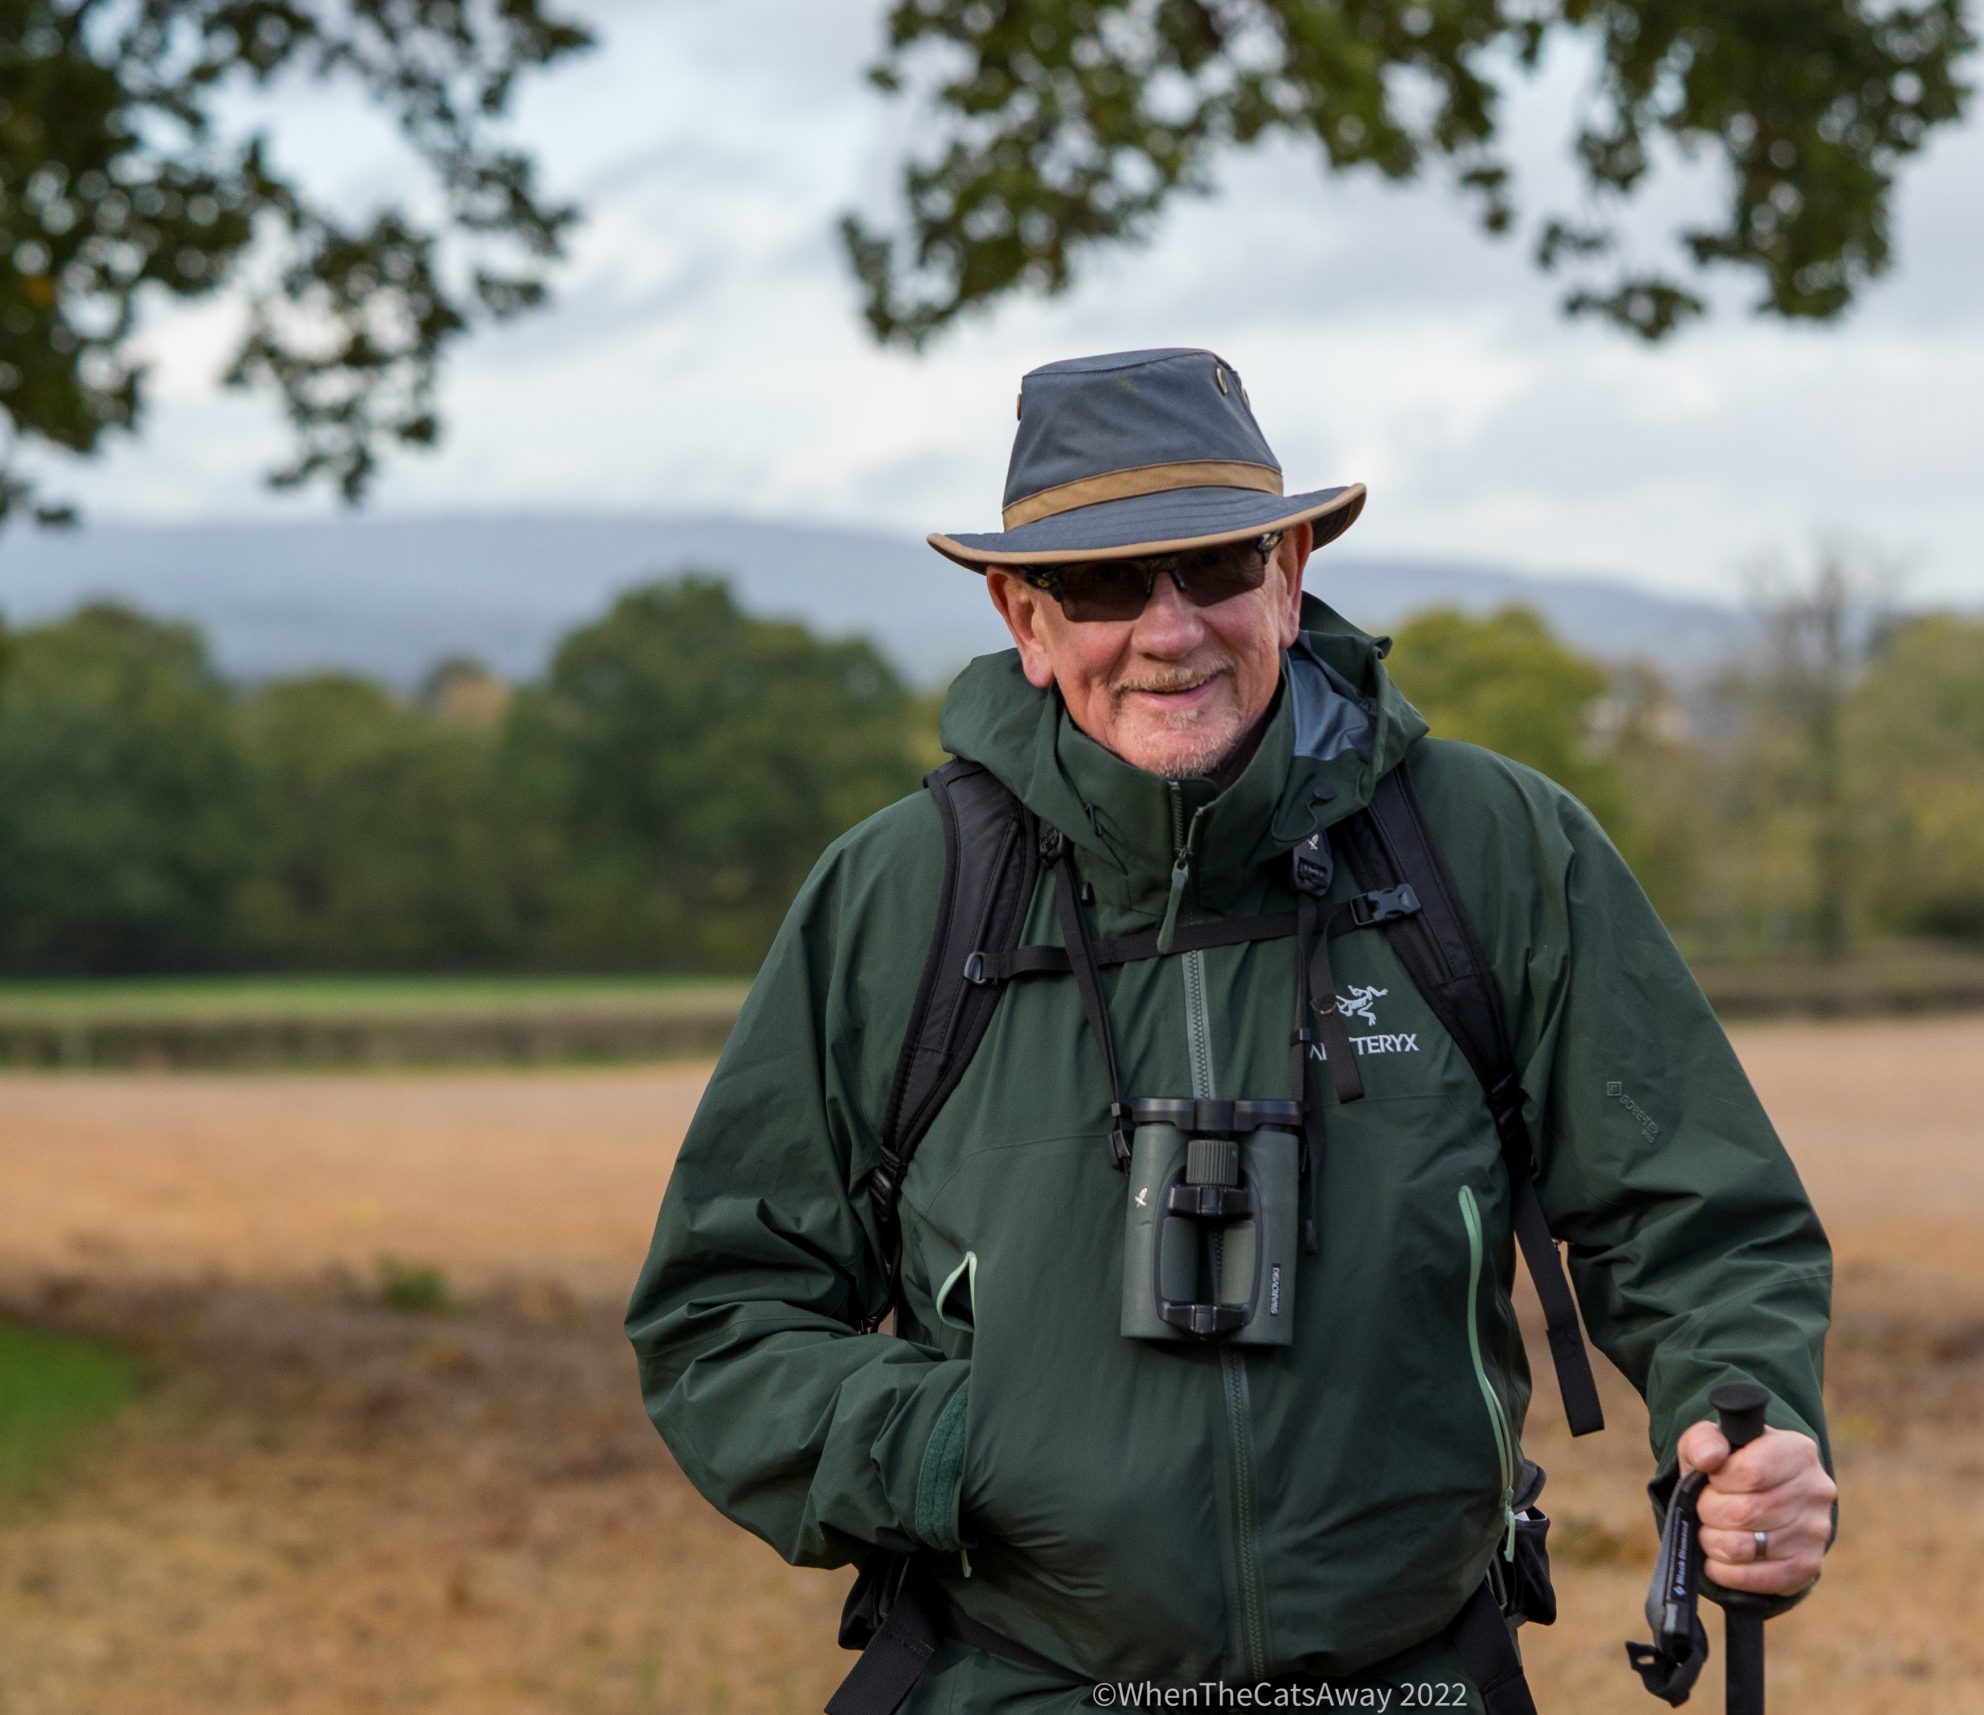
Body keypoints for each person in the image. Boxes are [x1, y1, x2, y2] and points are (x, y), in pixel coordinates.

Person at [624, 346, 1836, 1714]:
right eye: (1102, 585)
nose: (1169, 630)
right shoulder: (898, 898)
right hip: (1015, 1688)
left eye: (1212, 567)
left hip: (1413, 1686)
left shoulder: (1492, 850)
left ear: (1288, 572)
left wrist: (1753, 1426)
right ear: (1024, 619)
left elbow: (1699, 1219)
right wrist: (968, 1445)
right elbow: (719, 1318)